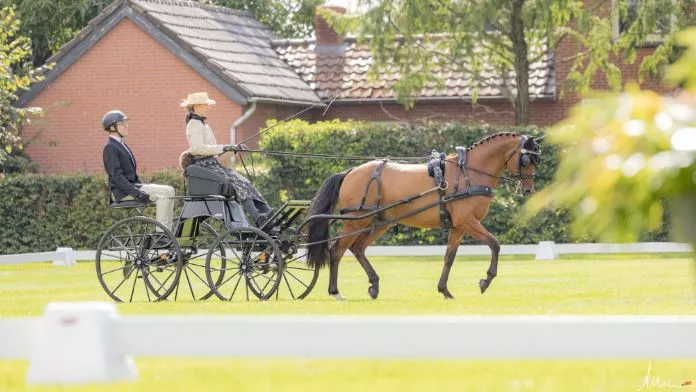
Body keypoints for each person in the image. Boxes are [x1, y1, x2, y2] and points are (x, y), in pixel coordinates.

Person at [178, 92, 275, 227]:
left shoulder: (204, 125)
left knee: (245, 182)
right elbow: (197, 149)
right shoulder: (194, 124)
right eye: (205, 104)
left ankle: (268, 213)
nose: (208, 106)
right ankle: (258, 218)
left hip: (213, 164)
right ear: (196, 106)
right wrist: (225, 147)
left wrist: (232, 149)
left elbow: (215, 152)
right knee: (239, 183)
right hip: (205, 166)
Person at [102, 110, 176, 239]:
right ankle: (161, 235)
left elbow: (131, 175)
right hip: (123, 193)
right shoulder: (110, 148)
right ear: (112, 127)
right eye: (122, 124)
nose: (126, 126)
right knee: (165, 192)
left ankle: (166, 232)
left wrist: (142, 187)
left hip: (133, 186)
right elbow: (117, 177)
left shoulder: (121, 145)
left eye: (126, 123)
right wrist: (137, 193)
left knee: (169, 190)